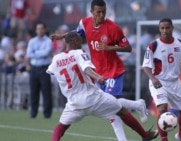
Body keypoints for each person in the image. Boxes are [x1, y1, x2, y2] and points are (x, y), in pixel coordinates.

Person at [50, 0, 148, 140]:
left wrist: (110, 48)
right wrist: (62, 36)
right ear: (91, 12)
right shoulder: (85, 22)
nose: (102, 15)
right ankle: (138, 104)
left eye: (104, 12)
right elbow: (76, 34)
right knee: (112, 105)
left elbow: (128, 48)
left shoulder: (113, 28)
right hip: (99, 71)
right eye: (98, 12)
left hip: (113, 70)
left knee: (113, 107)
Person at [142, 17, 181, 141]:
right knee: (162, 109)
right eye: (162, 28)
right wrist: (153, 79)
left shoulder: (180, 44)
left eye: (167, 28)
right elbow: (146, 66)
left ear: (172, 28)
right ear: (159, 29)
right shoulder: (153, 45)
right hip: (158, 82)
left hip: (175, 82)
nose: (165, 31)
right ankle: (164, 139)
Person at [26, 22, 53, 118]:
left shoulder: (48, 41)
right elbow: (29, 54)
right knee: (34, 92)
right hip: (34, 68)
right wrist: (39, 53)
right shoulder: (32, 41)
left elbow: (46, 53)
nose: (39, 30)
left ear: (44, 30)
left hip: (44, 68)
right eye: (38, 28)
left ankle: (47, 114)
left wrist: (35, 53)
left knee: (46, 92)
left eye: (41, 28)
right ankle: (33, 113)